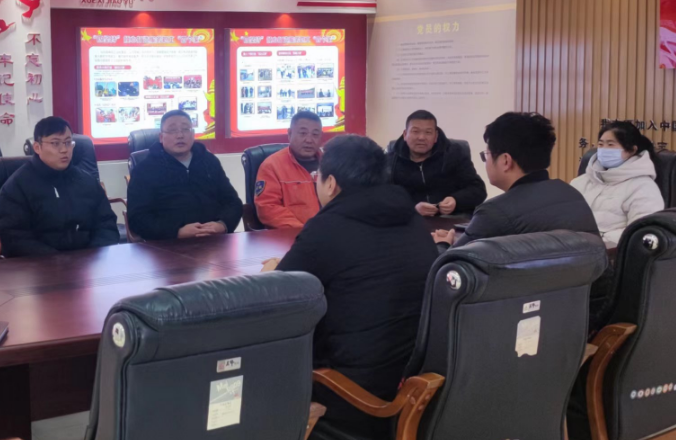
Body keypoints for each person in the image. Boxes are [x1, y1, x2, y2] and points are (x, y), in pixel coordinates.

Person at [261, 135, 438, 439]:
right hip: (410, 383)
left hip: (349, 394)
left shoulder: (328, 226)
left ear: (330, 183)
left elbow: (280, 300)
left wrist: (270, 274)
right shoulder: (411, 219)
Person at [433, 112, 599, 250]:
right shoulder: (571, 194)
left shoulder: (494, 212)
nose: (486, 161)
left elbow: (447, 267)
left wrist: (442, 244)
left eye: (487, 155)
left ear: (506, 161)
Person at [0, 116, 119, 257]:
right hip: (40, 264)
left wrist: (92, 254)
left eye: (68, 143)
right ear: (37, 147)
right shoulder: (17, 186)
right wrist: (57, 260)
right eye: (55, 143)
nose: (64, 150)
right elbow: (14, 237)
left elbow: (106, 224)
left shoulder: (87, 181)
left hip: (88, 261)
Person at [127, 110, 242, 240]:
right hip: (167, 244)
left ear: (193, 134)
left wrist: (222, 225)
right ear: (161, 137)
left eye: (186, 129)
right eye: (172, 130)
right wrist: (176, 232)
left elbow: (233, 202)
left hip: (215, 240)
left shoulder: (208, 161)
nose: (180, 135)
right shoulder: (145, 169)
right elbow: (137, 218)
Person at [571, 121, 664, 247]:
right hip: (572, 248)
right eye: (600, 144)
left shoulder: (643, 188)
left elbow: (642, 232)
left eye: (611, 145)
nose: (604, 149)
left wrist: (599, 240)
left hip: (613, 253)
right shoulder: (581, 182)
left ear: (632, 150)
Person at [387, 110, 487, 216]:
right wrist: (412, 209)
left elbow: (478, 190)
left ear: (436, 136)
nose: (421, 137)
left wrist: (455, 200)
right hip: (410, 220)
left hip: (452, 219)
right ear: (405, 134)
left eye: (428, 132)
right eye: (415, 131)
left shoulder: (454, 154)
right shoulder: (391, 161)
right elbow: (383, 199)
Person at [255, 111, 323, 229]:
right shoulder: (272, 166)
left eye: (315, 134)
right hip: (292, 235)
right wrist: (304, 231)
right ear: (290, 134)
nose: (309, 140)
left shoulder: (331, 163)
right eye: (303, 133)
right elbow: (268, 208)